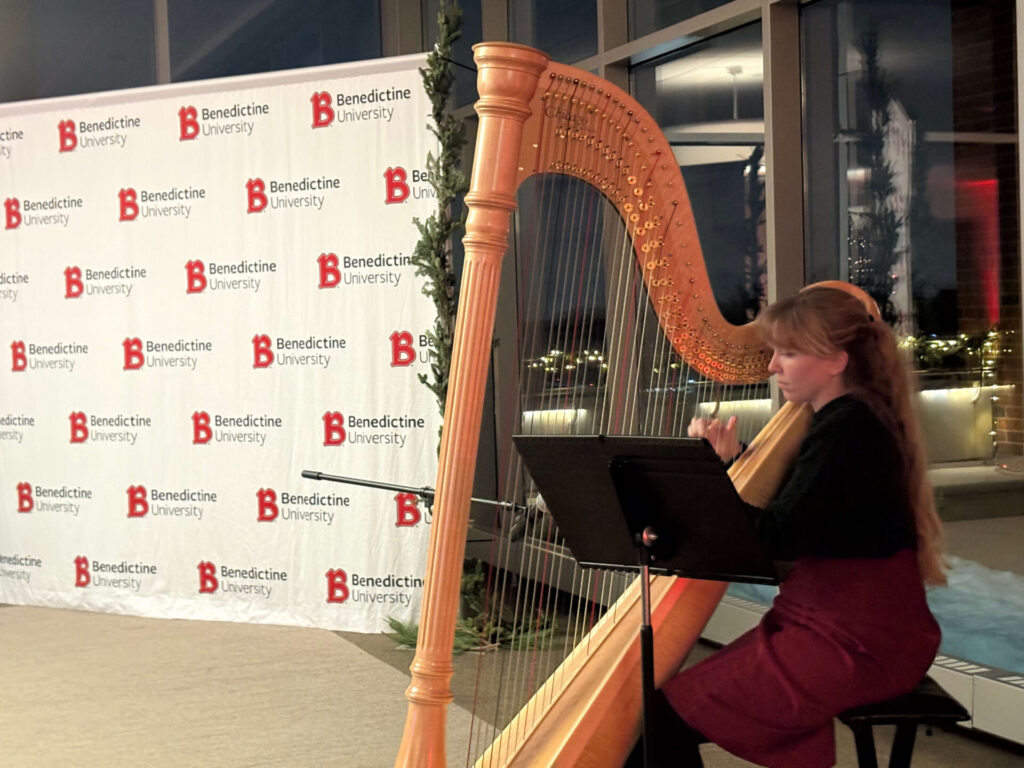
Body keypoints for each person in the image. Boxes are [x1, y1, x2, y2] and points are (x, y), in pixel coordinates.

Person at [653, 285, 946, 768]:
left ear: (834, 361)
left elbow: (775, 539)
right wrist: (734, 460)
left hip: (856, 640)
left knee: (659, 724)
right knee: (661, 717)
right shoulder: (846, 419)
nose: (772, 366)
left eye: (787, 353)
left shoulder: (849, 429)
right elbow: (807, 506)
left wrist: (701, 483)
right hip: (832, 626)